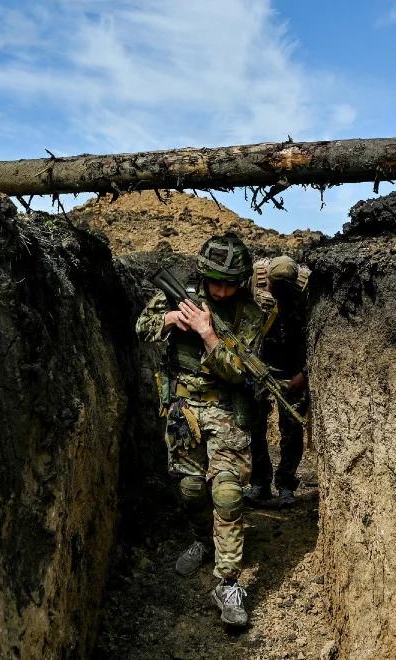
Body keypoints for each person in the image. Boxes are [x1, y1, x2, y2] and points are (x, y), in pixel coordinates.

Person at [135, 232, 275, 628]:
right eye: (217, 281)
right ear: (204, 273)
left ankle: (228, 582)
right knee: (190, 489)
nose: (224, 290)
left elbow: (238, 372)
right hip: (184, 410)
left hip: (228, 410)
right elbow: (141, 327)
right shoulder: (183, 295)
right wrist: (168, 318)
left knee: (228, 493)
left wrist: (207, 333)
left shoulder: (250, 314)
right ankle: (203, 539)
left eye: (232, 283)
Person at [244, 256, 311, 508]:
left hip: (294, 367)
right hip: (259, 364)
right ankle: (259, 483)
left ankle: (285, 484)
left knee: (291, 428)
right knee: (254, 425)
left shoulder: (306, 291)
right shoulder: (255, 281)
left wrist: (304, 374)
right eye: (275, 286)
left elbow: (317, 336)